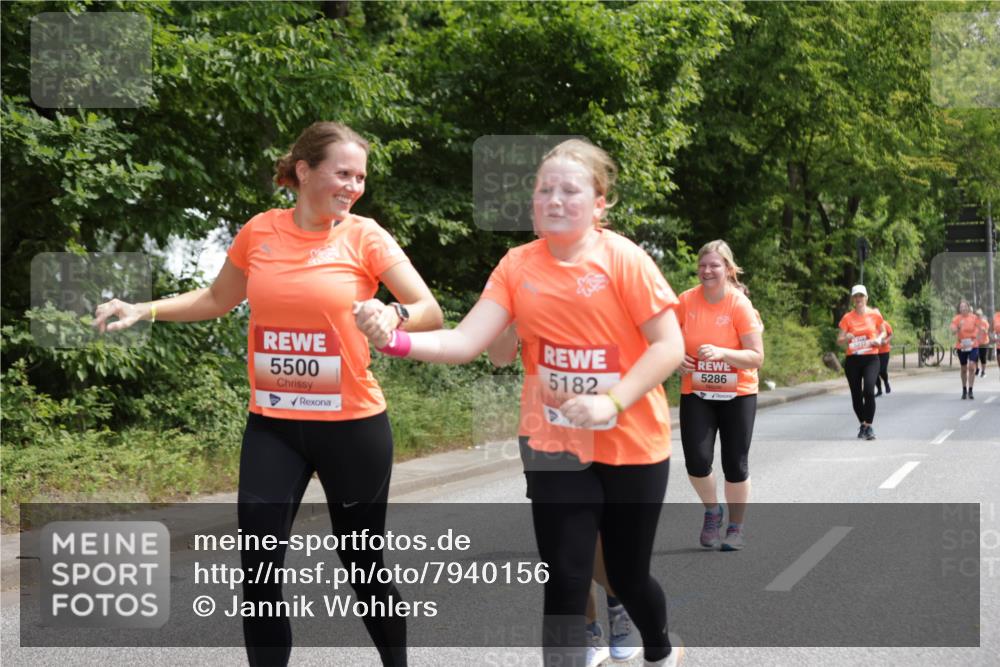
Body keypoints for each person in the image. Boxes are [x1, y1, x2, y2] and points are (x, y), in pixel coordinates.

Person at [94, 121, 443, 667]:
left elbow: (429, 310)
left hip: (352, 427)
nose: (353, 186)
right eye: (343, 173)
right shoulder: (260, 231)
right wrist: (145, 308)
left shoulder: (365, 236)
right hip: (273, 427)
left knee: (362, 567)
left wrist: (391, 312)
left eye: (360, 177)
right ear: (304, 171)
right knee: (258, 573)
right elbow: (216, 298)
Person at [357, 139, 685, 667]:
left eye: (569, 190)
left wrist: (612, 401)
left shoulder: (625, 260)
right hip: (553, 440)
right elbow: (465, 342)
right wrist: (391, 339)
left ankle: (660, 649)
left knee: (626, 574)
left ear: (600, 204)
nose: (554, 199)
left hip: (631, 443)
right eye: (543, 190)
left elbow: (671, 345)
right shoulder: (516, 266)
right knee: (565, 577)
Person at [487, 326, 642, 666]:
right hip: (546, 431)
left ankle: (618, 604)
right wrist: (509, 318)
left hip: (605, 424)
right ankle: (588, 630)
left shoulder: (609, 274)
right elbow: (499, 357)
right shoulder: (514, 276)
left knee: (601, 536)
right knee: (564, 542)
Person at [676, 241, 764, 552]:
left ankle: (736, 527)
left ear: (728, 269)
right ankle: (713, 511)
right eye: (702, 265)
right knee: (697, 461)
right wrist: (677, 359)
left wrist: (722, 354)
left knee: (735, 463)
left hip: (737, 392)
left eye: (714, 265)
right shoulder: (686, 301)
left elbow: (756, 357)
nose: (707, 271)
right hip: (697, 390)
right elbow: (666, 340)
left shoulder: (738, 304)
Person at [836, 285, 887, 439]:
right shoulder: (847, 318)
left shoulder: (874, 315)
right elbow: (839, 340)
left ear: (866, 298)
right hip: (853, 360)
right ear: (853, 299)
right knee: (856, 395)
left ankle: (869, 427)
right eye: (856, 296)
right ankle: (863, 424)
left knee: (869, 390)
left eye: (861, 296)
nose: (858, 299)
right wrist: (847, 338)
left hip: (871, 357)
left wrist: (878, 339)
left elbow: (884, 330)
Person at [950, 299, 981, 399]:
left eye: (965, 306)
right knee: (963, 369)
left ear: (968, 307)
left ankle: (970, 390)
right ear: (959, 309)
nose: (963, 308)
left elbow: (980, 329)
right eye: (961, 307)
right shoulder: (956, 318)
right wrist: (958, 327)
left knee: (972, 366)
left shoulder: (974, 318)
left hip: (973, 345)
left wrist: (976, 338)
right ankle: (964, 389)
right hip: (961, 345)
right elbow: (953, 331)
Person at [874, 317, 893, 397]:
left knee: (882, 371)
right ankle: (879, 390)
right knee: (874, 372)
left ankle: (886, 383)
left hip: (884, 351)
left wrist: (886, 340)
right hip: (874, 352)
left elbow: (891, 334)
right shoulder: (870, 325)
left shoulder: (885, 324)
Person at [976, 308, 990, 378]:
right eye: (977, 315)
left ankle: (983, 371)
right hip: (976, 343)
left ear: (981, 315)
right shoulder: (975, 322)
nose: (978, 316)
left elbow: (987, 331)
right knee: (975, 357)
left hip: (984, 342)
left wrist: (984, 330)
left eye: (979, 315)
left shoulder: (985, 322)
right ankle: (977, 369)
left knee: (982, 357)